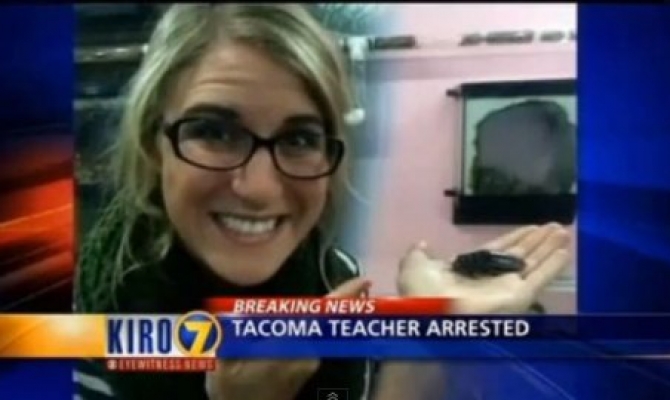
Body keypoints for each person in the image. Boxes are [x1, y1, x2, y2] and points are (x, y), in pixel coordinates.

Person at [74, 4, 571, 400]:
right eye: (214, 132)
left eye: (299, 139)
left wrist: (431, 336)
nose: (260, 189)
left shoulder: (335, 277)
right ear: (153, 144)